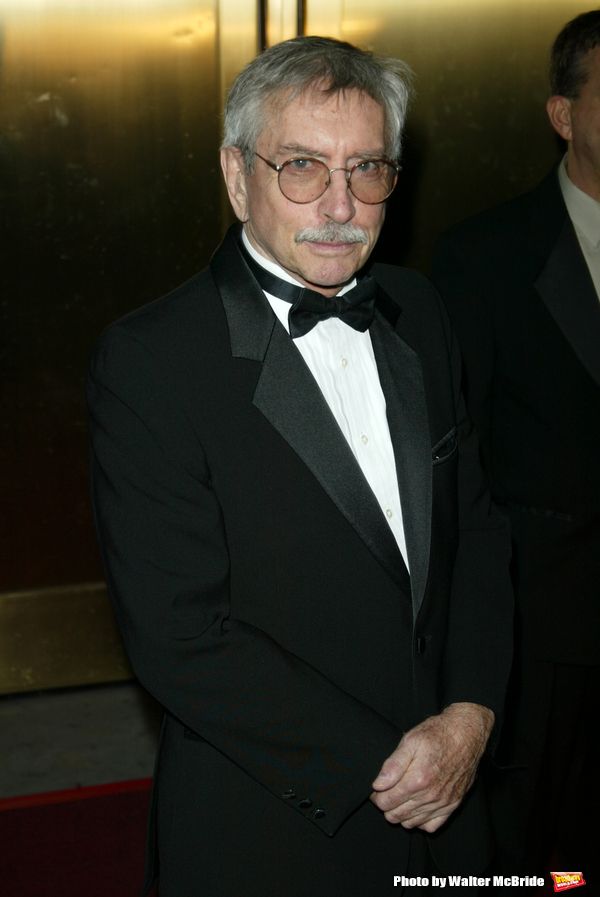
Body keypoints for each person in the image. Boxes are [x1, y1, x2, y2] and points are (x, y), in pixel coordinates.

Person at [87, 36, 513, 897]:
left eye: (366, 169)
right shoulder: (151, 360)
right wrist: (393, 765)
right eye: (302, 167)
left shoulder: (419, 310)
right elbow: (180, 637)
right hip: (276, 822)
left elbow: (478, 528)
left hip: (453, 804)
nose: (340, 203)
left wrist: (470, 714)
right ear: (238, 176)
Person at [431, 10, 600, 886]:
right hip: (540, 619)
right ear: (564, 116)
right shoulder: (482, 259)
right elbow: (459, 461)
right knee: (521, 854)